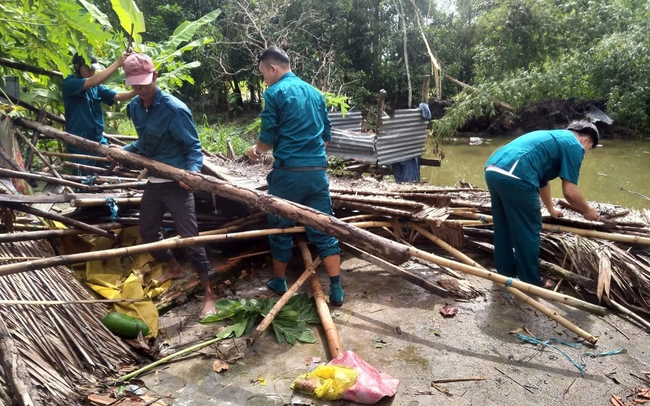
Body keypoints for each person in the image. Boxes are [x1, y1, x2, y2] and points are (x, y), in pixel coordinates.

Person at [110, 53, 217, 317]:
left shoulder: (174, 110)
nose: (140, 89)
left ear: (155, 76)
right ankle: (173, 267)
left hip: (176, 184)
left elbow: (193, 148)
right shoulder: (134, 107)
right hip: (154, 183)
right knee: (148, 232)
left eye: (144, 83)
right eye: (134, 85)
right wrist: (120, 151)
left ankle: (210, 293)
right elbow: (143, 145)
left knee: (190, 239)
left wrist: (190, 175)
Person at [246, 46, 345, 306]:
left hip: (288, 175)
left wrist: (255, 152)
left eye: (263, 73)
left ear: (273, 68)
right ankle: (336, 288)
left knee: (280, 227)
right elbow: (326, 136)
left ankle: (280, 281)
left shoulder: (275, 92)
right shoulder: (315, 93)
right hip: (317, 174)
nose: (264, 79)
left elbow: (267, 138)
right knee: (325, 228)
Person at [484, 120, 601, 288]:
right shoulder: (575, 146)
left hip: (493, 169)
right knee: (529, 228)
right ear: (585, 141)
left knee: (503, 224)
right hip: (517, 175)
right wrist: (587, 210)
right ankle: (530, 279)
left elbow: (543, 181)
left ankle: (505, 271)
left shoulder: (555, 137)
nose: (585, 153)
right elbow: (570, 192)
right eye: (589, 149)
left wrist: (551, 209)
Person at [62, 52, 135, 170]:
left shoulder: (96, 87)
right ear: (77, 67)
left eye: (93, 70)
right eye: (88, 69)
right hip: (79, 142)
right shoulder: (69, 83)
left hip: (98, 139)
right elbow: (93, 81)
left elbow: (119, 96)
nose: (91, 73)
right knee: (84, 179)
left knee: (110, 171)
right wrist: (117, 63)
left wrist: (139, 89)